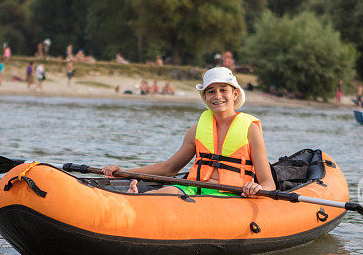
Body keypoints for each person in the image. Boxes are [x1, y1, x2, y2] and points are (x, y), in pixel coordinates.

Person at [102, 67, 276, 198]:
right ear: (205, 97)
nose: (217, 96)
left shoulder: (250, 128)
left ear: (235, 93)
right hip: (194, 189)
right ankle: (136, 197)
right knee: (153, 197)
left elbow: (268, 183)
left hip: (230, 195)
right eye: (211, 91)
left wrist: (256, 189)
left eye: (223, 90)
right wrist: (122, 171)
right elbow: (168, 168)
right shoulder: (197, 129)